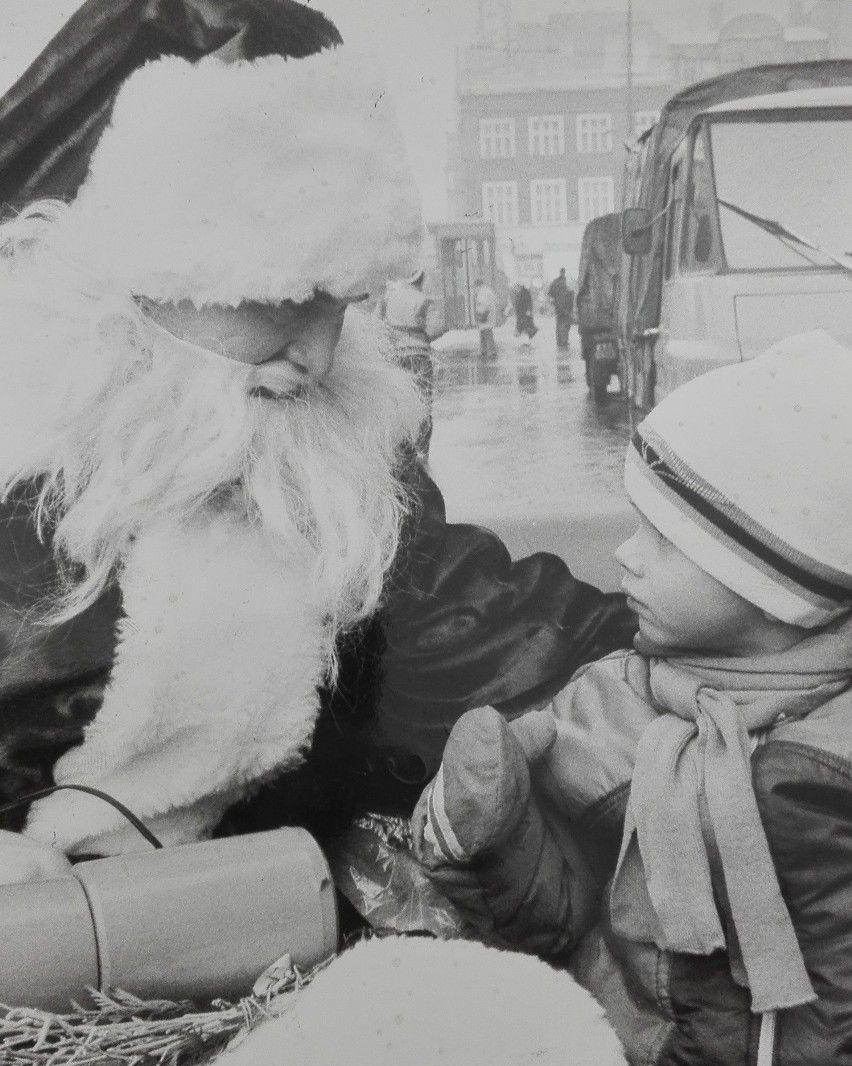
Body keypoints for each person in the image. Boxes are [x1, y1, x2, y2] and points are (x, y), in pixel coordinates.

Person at [0, 32, 636, 855]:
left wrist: (730, 659)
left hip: (272, 934)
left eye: (340, 305)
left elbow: (488, 633)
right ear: (151, 275)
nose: (320, 356)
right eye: (289, 297)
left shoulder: (331, 456)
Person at [413, 329, 852, 1066]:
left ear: (774, 580)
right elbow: (574, 908)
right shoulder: (614, 707)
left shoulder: (831, 755)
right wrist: (503, 833)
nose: (625, 556)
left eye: (666, 540)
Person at [377, 269, 436, 459]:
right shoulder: (423, 300)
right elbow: (434, 329)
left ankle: (399, 448)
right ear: (421, 278)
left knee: (397, 401)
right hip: (419, 356)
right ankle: (421, 450)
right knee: (423, 403)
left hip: (395, 356)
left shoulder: (388, 297)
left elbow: (376, 322)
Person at [548, 267, 575, 351]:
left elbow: (549, 294)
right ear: (564, 272)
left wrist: (554, 302)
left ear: (560, 272)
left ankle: (559, 341)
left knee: (559, 323)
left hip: (558, 307)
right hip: (567, 307)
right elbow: (571, 293)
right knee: (566, 324)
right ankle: (564, 341)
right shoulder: (568, 281)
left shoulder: (554, 282)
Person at [473, 277, 498, 361]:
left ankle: (490, 351)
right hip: (489, 315)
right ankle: (484, 350)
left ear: (478, 285)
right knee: (484, 333)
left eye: (475, 287)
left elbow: (484, 304)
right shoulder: (488, 291)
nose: (474, 289)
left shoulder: (483, 293)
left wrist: (481, 314)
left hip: (485, 316)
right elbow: (495, 301)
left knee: (486, 333)